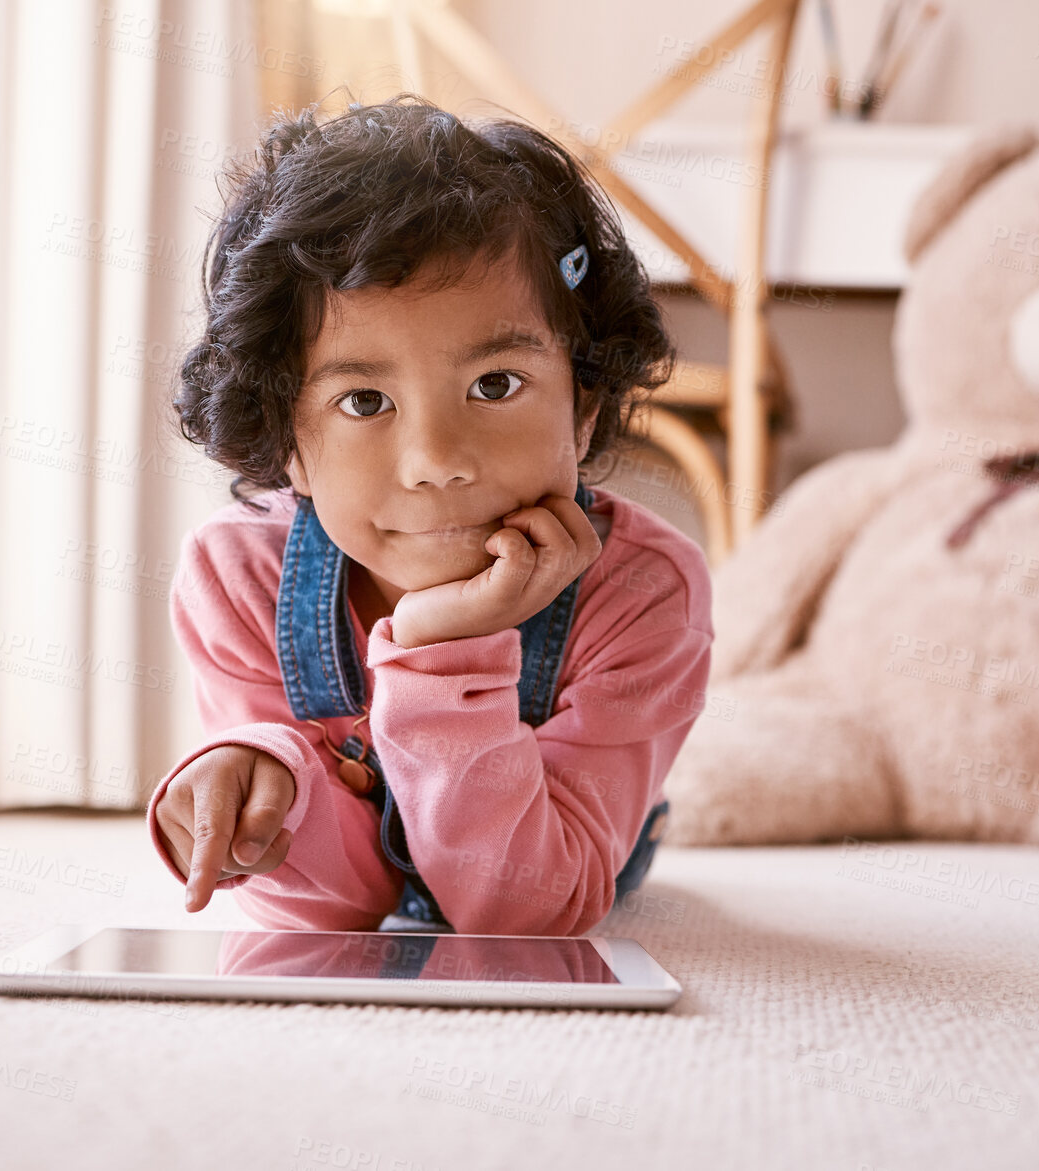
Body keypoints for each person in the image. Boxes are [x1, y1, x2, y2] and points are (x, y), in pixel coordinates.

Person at [145, 93, 713, 936]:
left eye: (495, 385)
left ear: (583, 406)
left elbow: (527, 910)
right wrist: (258, 792)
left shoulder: (641, 590)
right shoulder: (239, 577)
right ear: (286, 444)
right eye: (364, 399)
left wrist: (441, 649)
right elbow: (338, 911)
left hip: (569, 836)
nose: (435, 459)